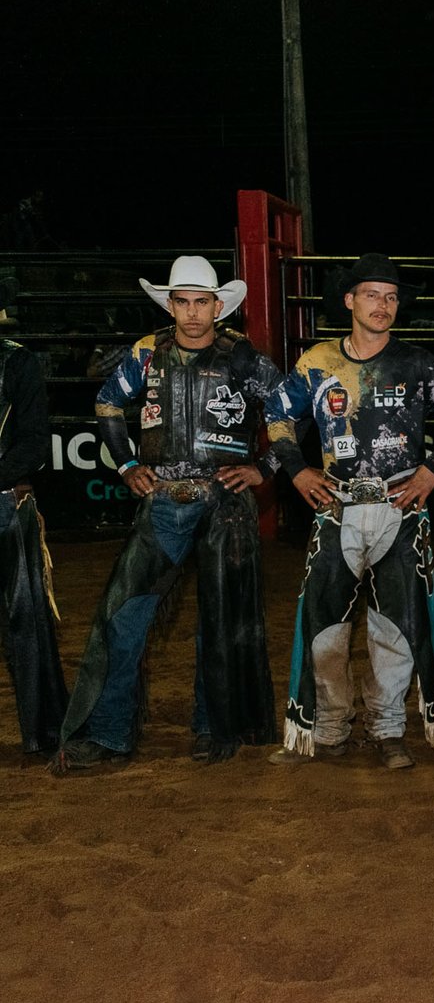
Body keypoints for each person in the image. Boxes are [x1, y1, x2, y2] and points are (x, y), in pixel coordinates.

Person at [54, 257, 281, 770]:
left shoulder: (244, 357)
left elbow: (292, 409)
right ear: (170, 305)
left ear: (218, 306)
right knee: (123, 615)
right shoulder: (146, 353)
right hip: (163, 501)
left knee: (221, 619)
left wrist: (263, 468)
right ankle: (109, 733)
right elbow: (108, 402)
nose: (193, 312)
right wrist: (126, 463)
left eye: (202, 302)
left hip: (225, 500)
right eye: (183, 301)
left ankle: (213, 727)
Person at [266, 253, 434, 771]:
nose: (382, 305)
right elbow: (277, 416)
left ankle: (388, 727)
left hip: (400, 507)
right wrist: (297, 471)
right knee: (326, 626)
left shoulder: (417, 363)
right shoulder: (317, 362)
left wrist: (432, 471)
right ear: (349, 301)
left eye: (391, 297)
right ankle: (330, 727)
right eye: (371, 295)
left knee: (395, 625)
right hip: (335, 506)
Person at [1, 279, 68, 755]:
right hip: (6, 499)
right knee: (26, 622)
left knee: (24, 622)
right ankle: (42, 732)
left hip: (5, 502)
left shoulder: (17, 363)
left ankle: (43, 733)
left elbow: (33, 443)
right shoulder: (17, 362)